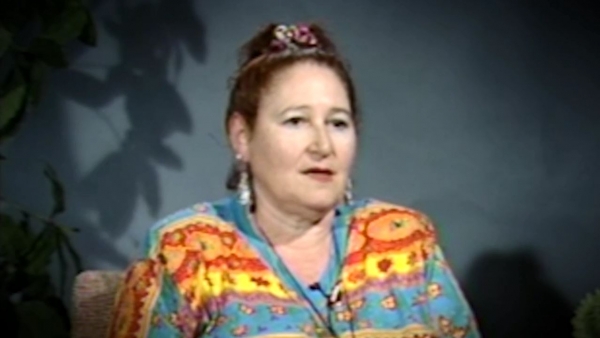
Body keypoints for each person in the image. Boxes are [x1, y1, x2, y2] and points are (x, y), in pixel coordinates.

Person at [107, 22, 480, 338]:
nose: (322, 145)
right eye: (296, 121)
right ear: (242, 136)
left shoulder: (406, 239)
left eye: (337, 123)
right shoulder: (186, 251)